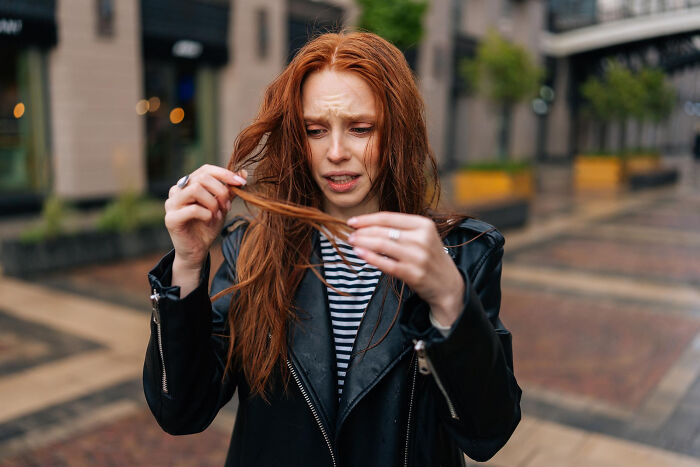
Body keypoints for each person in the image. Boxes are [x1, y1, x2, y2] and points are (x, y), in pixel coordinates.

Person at [143, 31, 521, 466]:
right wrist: (189, 264)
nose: (336, 152)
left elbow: (487, 433)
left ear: (398, 131)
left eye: (361, 129)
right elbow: (182, 410)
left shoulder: (460, 251)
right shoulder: (251, 250)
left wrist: (449, 299)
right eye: (315, 130)